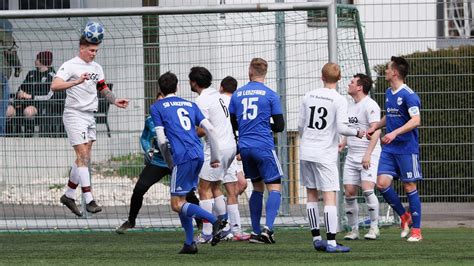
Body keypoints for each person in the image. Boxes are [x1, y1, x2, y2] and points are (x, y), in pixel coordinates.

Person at [51, 35, 129, 217]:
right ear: (82, 49)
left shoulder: (97, 68)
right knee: (83, 156)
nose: (94, 54)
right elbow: (54, 85)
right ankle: (89, 200)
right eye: (91, 50)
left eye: (96, 51)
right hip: (74, 114)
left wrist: (115, 100)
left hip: (90, 116)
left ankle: (69, 195)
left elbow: (102, 88)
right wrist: (75, 82)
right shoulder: (70, 65)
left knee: (83, 158)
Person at [150, 71, 226, 254]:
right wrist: (215, 157)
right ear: (177, 87)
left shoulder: (157, 107)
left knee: (176, 204)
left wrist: (170, 162)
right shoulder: (190, 105)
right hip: (198, 154)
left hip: (182, 157)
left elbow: (161, 140)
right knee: (183, 199)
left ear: (160, 88)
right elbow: (210, 129)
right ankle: (189, 243)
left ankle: (215, 221)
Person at [298, 63, 365, 253]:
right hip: (324, 153)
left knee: (311, 194)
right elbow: (343, 128)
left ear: (322, 76)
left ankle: (316, 239)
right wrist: (358, 132)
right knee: (329, 196)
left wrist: (309, 139)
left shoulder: (308, 95)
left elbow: (301, 126)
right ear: (339, 78)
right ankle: (332, 243)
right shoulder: (339, 99)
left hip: (306, 151)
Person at [116, 92, 202, 234]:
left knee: (189, 194)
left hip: (178, 162)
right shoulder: (151, 120)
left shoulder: (179, 118)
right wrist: (148, 149)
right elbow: (144, 138)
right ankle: (131, 221)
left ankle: (200, 223)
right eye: (159, 103)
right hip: (158, 162)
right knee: (139, 189)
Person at [228, 58, 285, 244]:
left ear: (250, 71)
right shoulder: (270, 95)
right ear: (264, 73)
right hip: (263, 146)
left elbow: (233, 123)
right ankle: (268, 229)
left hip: (245, 147)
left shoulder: (237, 95)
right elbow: (279, 126)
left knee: (257, 187)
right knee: (275, 187)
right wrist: (263, 124)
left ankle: (254, 231)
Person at [367, 56, 423, 242]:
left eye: (388, 68)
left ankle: (416, 231)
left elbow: (416, 120)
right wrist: (375, 126)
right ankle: (404, 215)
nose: (385, 71)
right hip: (390, 150)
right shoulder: (389, 92)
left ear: (395, 73)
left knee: (409, 186)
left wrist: (395, 133)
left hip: (407, 149)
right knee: (382, 183)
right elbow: (389, 116)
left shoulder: (409, 95)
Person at [188, 67, 236, 244]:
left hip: (217, 147)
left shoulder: (202, 100)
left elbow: (203, 129)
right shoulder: (217, 95)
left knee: (203, 189)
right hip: (230, 145)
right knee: (215, 186)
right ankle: (225, 226)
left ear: (194, 82)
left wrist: (187, 134)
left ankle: (207, 231)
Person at [338, 73, 382, 240]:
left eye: (352, 82)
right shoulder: (349, 106)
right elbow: (351, 128)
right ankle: (354, 230)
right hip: (352, 155)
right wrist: (343, 142)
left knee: (368, 190)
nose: (349, 84)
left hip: (368, 153)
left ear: (359, 87)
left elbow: (376, 130)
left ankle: (374, 228)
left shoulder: (370, 105)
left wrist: (368, 154)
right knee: (349, 192)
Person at [219, 76, 250, 241]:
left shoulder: (225, 100)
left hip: (229, 148)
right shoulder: (233, 101)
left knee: (241, 184)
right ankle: (233, 229)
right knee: (230, 190)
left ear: (221, 87)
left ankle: (224, 216)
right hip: (227, 148)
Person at [8, 51, 59, 136]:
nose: (35, 61)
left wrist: (30, 96)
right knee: (8, 110)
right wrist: (18, 98)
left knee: (28, 111)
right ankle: (13, 134)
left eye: (37, 59)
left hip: (39, 105)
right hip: (23, 103)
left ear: (42, 61)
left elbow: (48, 96)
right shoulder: (31, 73)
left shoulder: (52, 76)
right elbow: (22, 88)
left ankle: (29, 135)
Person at [0, 19, 21, 136]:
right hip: (0, 75)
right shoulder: (4, 34)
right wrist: (18, 67)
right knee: (1, 106)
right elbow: (11, 53)